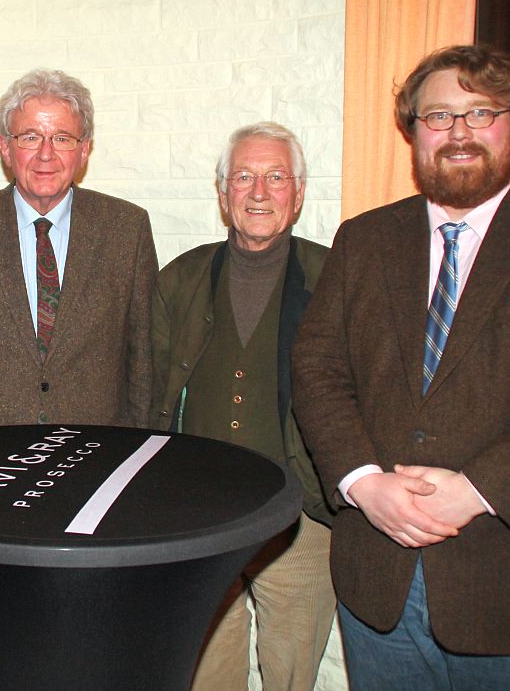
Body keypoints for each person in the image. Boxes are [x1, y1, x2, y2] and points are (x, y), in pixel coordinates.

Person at [292, 44, 510, 689]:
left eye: (481, 113)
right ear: (413, 132)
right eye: (439, 116)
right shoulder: (364, 238)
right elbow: (317, 367)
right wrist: (362, 482)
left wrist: (475, 490)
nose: (458, 132)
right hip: (378, 580)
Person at [151, 122, 334, 691]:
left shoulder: (336, 277)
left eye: (276, 177)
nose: (259, 192)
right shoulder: (180, 278)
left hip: (303, 519)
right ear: (222, 191)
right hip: (200, 518)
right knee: (206, 675)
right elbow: (147, 394)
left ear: (298, 194)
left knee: (292, 675)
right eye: (244, 177)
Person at [0, 68, 157, 431]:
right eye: (30, 137)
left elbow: (144, 355)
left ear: (84, 149)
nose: (45, 154)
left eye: (62, 138)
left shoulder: (126, 229)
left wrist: (134, 441)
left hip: (95, 447)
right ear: (5, 147)